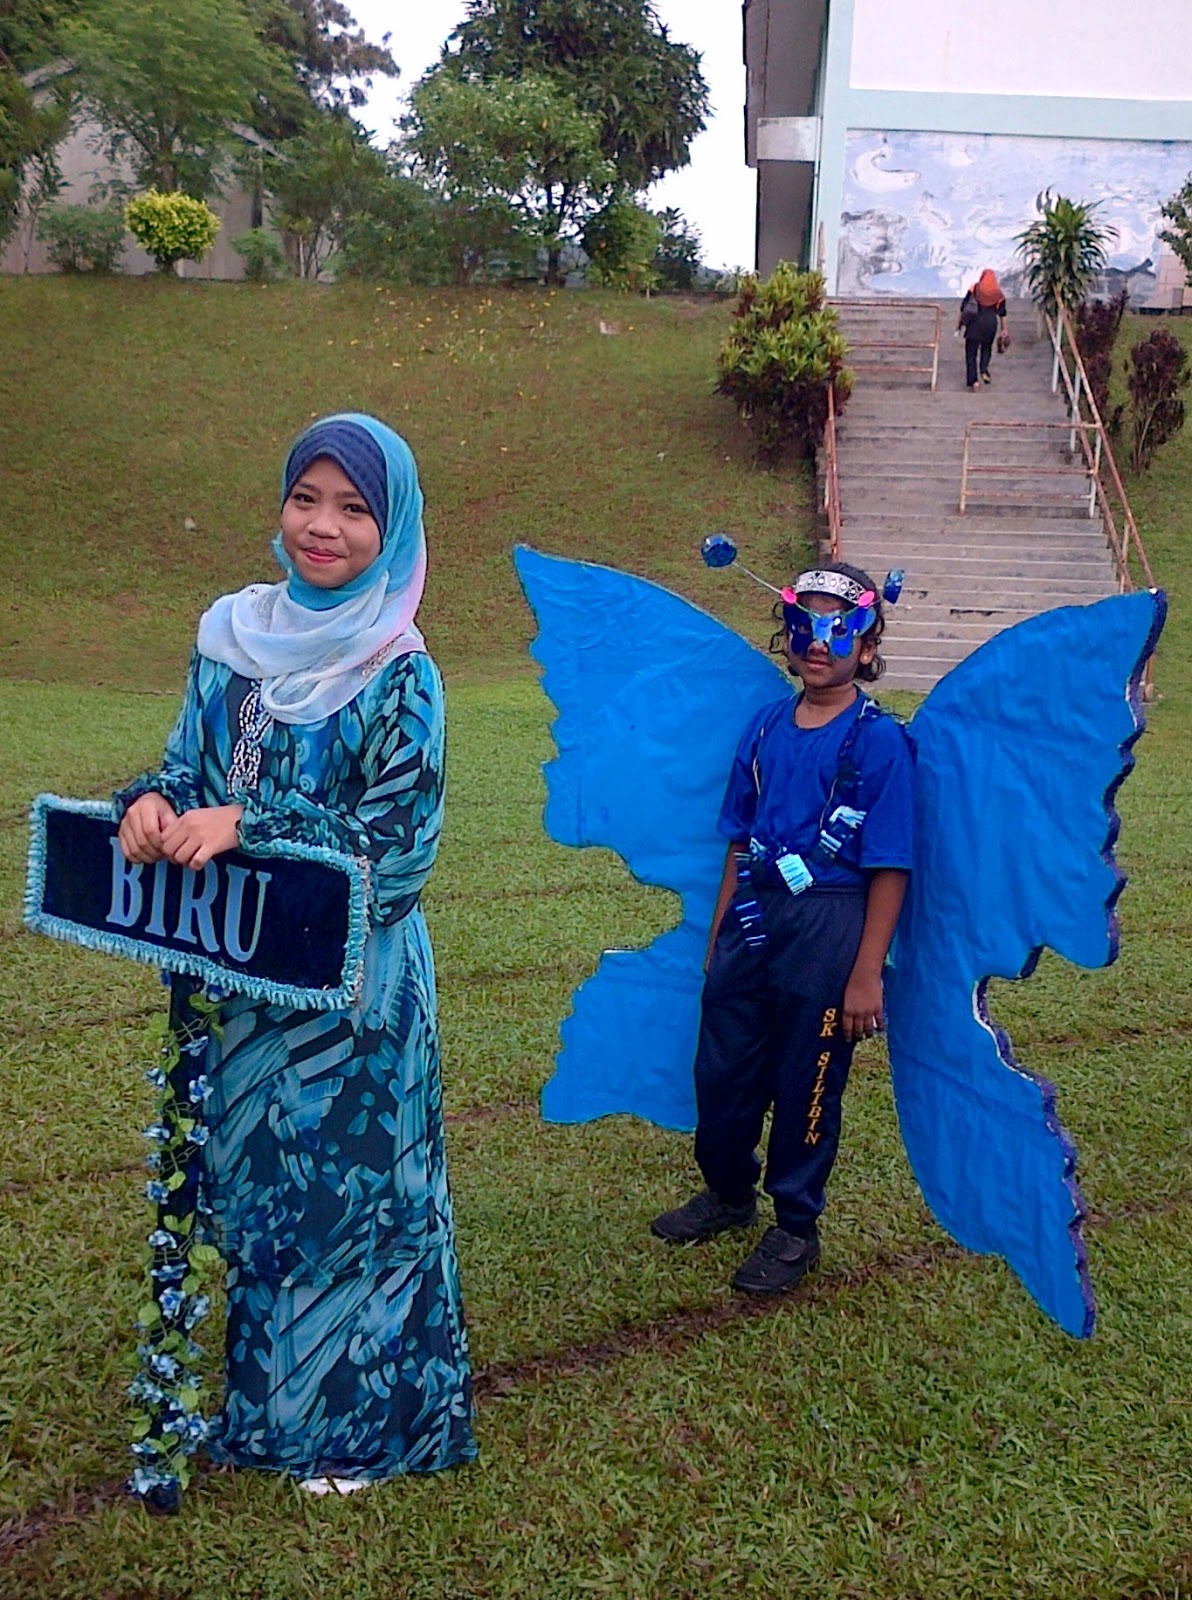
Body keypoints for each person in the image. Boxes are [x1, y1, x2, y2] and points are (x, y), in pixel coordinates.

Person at [115, 413, 476, 1492]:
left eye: (355, 508)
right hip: (245, 986)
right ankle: (269, 1413)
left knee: (354, 1203)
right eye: (305, 499)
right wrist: (151, 803)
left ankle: (368, 1428)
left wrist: (253, 826)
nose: (323, 527)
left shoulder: (401, 671)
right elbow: (189, 769)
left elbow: (398, 854)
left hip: (353, 1000)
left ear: (393, 524)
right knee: (264, 1192)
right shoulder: (231, 636)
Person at [651, 562, 915, 1294]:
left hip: (830, 924)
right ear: (787, 634)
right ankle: (729, 1193)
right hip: (752, 915)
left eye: (840, 626)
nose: (819, 641)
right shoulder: (764, 728)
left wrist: (866, 972)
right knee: (722, 1067)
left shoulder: (878, 742)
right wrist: (717, 937)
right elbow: (740, 840)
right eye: (807, 623)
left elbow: (891, 863)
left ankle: (795, 1228)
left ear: (866, 645)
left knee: (808, 1081)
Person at [959, 268, 1008, 390]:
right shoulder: (998, 295)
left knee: (971, 353)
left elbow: (963, 307)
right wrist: (1004, 330)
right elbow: (1002, 314)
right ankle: (984, 370)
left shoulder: (975, 289)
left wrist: (959, 325)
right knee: (986, 349)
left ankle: (974, 381)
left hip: (974, 324)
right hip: (990, 326)